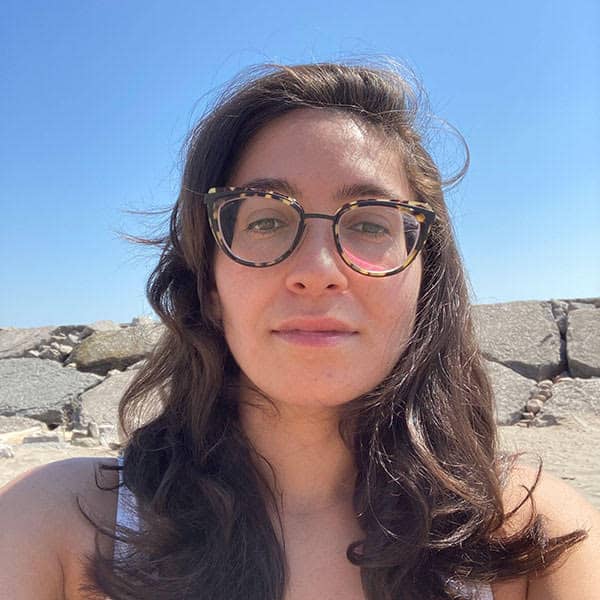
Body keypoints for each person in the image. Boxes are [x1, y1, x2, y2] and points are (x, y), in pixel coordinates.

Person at [1, 62, 598, 600]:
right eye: (265, 220)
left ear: (424, 280)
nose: (317, 270)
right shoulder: (56, 527)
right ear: (209, 284)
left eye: (370, 224)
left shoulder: (532, 538)